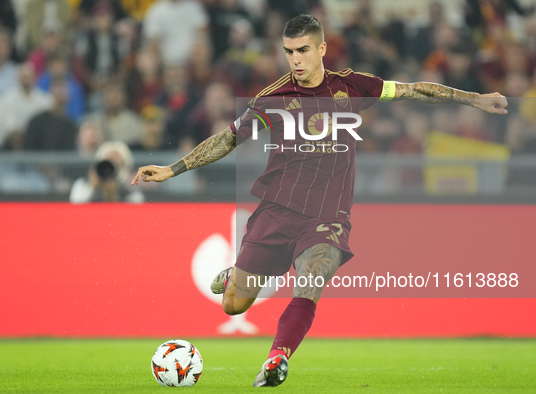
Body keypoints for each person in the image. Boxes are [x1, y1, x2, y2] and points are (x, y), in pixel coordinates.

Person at [131, 14, 508, 388]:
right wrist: (173, 168)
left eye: (303, 50)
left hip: (328, 216)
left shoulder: (353, 86)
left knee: (312, 277)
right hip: (277, 211)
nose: (295, 59)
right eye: (289, 52)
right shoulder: (273, 98)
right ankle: (239, 275)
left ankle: (278, 357)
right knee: (234, 304)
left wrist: (474, 99)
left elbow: (413, 89)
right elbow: (228, 139)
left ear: (322, 49)